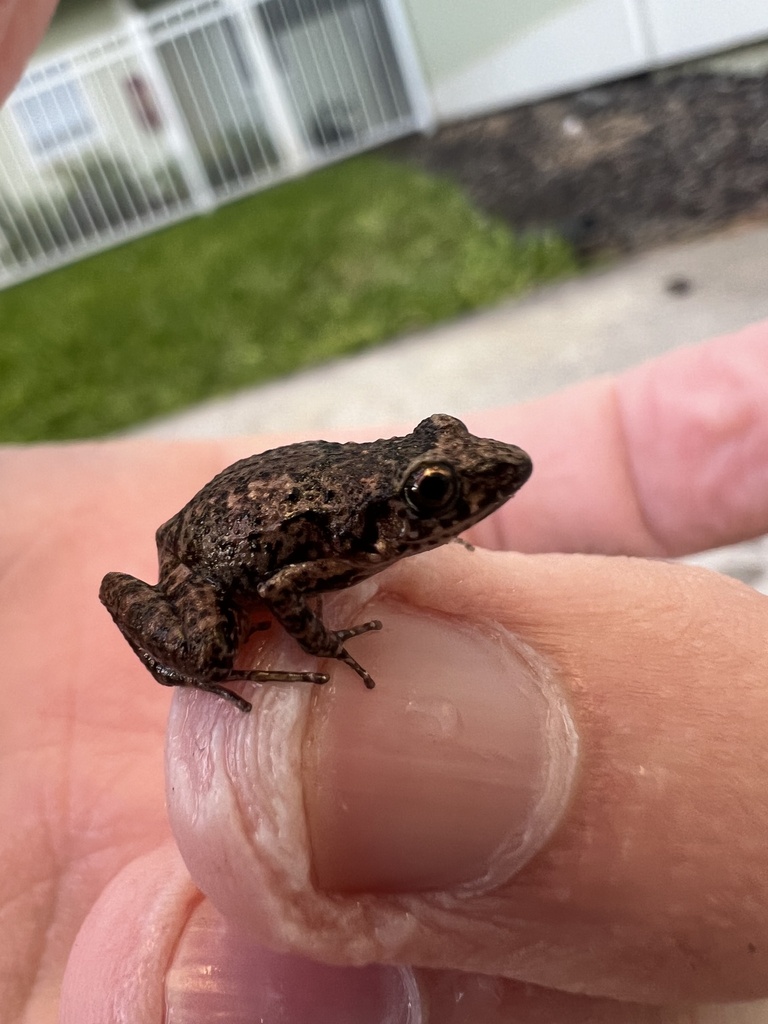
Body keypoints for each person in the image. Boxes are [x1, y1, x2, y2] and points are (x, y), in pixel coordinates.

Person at [4, 6, 768, 1022]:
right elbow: (277, 583)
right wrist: (317, 648)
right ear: (393, 516)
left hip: (233, 514)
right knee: (214, 632)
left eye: (443, 482)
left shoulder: (374, 510)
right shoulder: (340, 543)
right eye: (438, 499)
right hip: (208, 557)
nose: (468, 493)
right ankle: (201, 656)